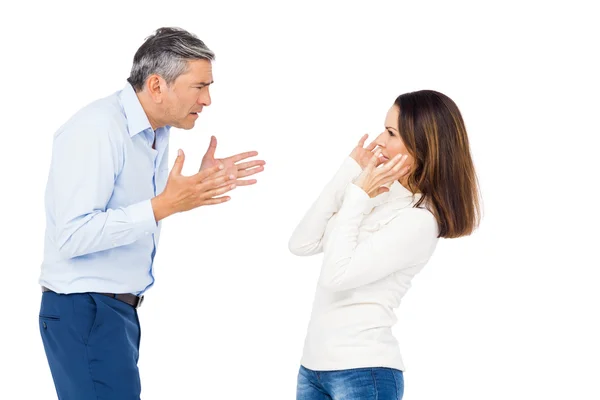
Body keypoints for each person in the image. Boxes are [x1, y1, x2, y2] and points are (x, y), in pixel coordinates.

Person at [38, 27, 265, 399]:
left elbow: (128, 207)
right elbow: (71, 235)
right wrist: (165, 205)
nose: (207, 99)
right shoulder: (97, 129)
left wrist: (196, 183)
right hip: (86, 308)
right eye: (199, 86)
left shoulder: (153, 131)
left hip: (113, 311)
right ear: (157, 86)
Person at [289, 90, 481, 400]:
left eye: (391, 133)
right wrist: (350, 172)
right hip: (313, 369)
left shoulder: (418, 221)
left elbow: (335, 276)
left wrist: (358, 196)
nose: (379, 140)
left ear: (422, 145)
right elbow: (301, 243)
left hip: (364, 373)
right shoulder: (380, 194)